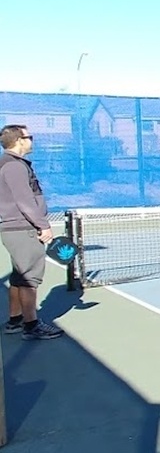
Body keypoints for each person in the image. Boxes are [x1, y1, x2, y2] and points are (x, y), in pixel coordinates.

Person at [1, 124, 63, 340]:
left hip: (17, 228)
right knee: (29, 278)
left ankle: (15, 320)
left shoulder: (11, 164)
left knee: (19, 276)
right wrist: (43, 225)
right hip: (23, 229)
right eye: (29, 137)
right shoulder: (14, 166)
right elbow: (24, 200)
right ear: (19, 140)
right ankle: (31, 325)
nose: (31, 141)